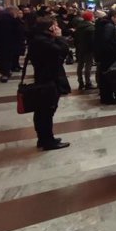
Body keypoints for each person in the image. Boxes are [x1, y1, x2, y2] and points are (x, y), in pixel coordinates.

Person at [28, 17, 71, 150]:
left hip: (46, 77)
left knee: (44, 112)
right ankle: (47, 141)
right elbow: (61, 51)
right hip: (48, 79)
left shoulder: (39, 39)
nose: (58, 27)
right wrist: (59, 37)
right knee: (46, 111)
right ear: (50, 27)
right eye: (56, 25)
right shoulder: (42, 41)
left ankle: (45, 138)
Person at [94, 9, 116, 104]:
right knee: (107, 76)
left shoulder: (105, 24)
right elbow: (107, 42)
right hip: (108, 56)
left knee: (105, 76)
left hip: (104, 55)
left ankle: (106, 96)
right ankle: (108, 98)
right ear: (112, 17)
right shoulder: (109, 26)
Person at [0, 7, 24, 83]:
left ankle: (4, 73)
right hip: (10, 42)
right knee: (7, 58)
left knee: (1, 58)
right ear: (12, 11)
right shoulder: (12, 20)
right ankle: (6, 73)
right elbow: (18, 31)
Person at [73, 10, 96, 90]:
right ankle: (88, 83)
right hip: (88, 49)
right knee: (88, 66)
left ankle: (80, 82)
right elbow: (93, 41)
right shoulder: (91, 28)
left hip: (80, 48)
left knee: (80, 66)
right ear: (90, 18)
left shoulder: (79, 26)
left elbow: (76, 38)